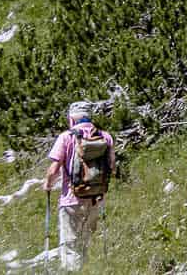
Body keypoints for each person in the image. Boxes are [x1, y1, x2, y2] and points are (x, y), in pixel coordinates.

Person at [43, 100, 116, 271]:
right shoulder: (105, 137)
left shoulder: (66, 137)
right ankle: (83, 270)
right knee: (84, 244)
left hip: (71, 201)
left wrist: (47, 184)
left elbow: (54, 169)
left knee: (70, 247)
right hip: (96, 199)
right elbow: (112, 167)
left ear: (72, 119)